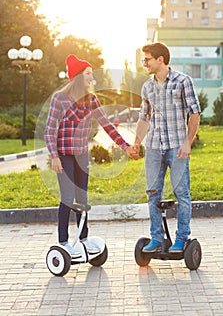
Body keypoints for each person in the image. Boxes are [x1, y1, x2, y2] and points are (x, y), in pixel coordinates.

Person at [45, 54, 137, 256]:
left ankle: (83, 239)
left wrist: (126, 146)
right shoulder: (59, 99)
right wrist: (54, 156)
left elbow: (107, 126)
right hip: (64, 156)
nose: (91, 78)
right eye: (88, 74)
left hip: (81, 156)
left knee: (82, 198)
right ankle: (63, 241)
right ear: (78, 76)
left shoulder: (91, 99)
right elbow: (50, 130)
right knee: (68, 198)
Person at [134, 42, 201, 253]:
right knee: (153, 193)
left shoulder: (183, 81)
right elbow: (144, 118)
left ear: (160, 59)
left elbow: (195, 113)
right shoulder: (147, 87)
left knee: (182, 193)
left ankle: (181, 239)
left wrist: (187, 142)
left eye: (147, 59)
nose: (144, 63)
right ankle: (156, 238)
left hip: (177, 147)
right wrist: (136, 142)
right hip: (154, 147)